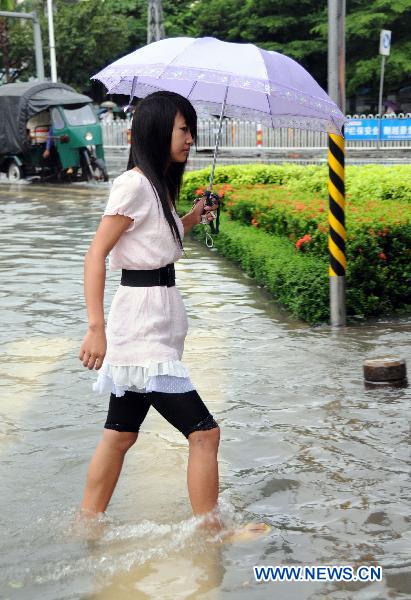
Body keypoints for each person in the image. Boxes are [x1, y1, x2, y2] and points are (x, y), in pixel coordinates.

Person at [78, 91, 222, 530]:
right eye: (183, 129)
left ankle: (86, 523)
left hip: (153, 320)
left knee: (120, 435)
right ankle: (211, 533)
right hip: (140, 329)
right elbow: (95, 254)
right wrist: (95, 328)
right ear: (159, 130)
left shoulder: (154, 186)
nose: (190, 139)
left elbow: (154, 241)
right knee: (205, 433)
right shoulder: (135, 184)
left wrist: (195, 215)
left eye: (191, 130)